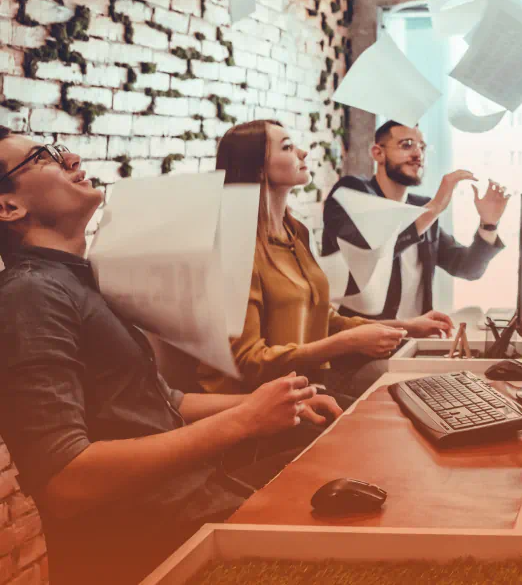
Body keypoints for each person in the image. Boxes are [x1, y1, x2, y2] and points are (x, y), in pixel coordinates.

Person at [0, 128, 339, 585]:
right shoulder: (30, 296)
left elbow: (164, 402)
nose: (73, 158)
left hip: (199, 506)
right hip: (157, 548)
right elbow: (65, 479)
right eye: (45, 157)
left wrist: (273, 402)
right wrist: (243, 420)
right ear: (8, 208)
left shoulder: (78, 283)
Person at [199, 120, 414, 398]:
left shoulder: (296, 232)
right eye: (287, 147)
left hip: (306, 393)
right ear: (258, 168)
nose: (303, 153)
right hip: (253, 407)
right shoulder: (232, 246)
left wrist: (407, 327)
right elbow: (247, 361)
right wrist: (344, 343)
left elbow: (323, 317)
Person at [322, 120, 509, 335]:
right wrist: (436, 207)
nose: (418, 154)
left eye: (422, 147)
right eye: (407, 144)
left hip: (415, 341)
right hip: (364, 344)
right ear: (378, 153)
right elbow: (372, 250)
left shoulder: (423, 208)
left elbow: (468, 267)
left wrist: (489, 224)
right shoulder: (352, 193)